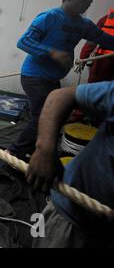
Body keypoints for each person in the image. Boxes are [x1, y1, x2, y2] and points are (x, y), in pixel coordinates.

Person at [7, 0, 114, 160]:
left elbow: (105, 39)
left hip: (52, 79)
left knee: (56, 115)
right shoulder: (50, 17)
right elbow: (24, 41)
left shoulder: (84, 25)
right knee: (43, 116)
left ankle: (34, 151)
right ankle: (14, 152)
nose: (90, 1)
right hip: (34, 77)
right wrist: (52, 53)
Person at [26, 82, 114, 247]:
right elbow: (60, 96)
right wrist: (44, 150)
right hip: (72, 216)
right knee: (35, 117)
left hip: (105, 229)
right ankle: (14, 150)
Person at [79, 8, 114, 83]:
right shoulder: (105, 20)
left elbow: (91, 43)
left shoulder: (105, 19)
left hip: (100, 69)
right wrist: (82, 60)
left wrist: (82, 59)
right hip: (101, 69)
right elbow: (91, 42)